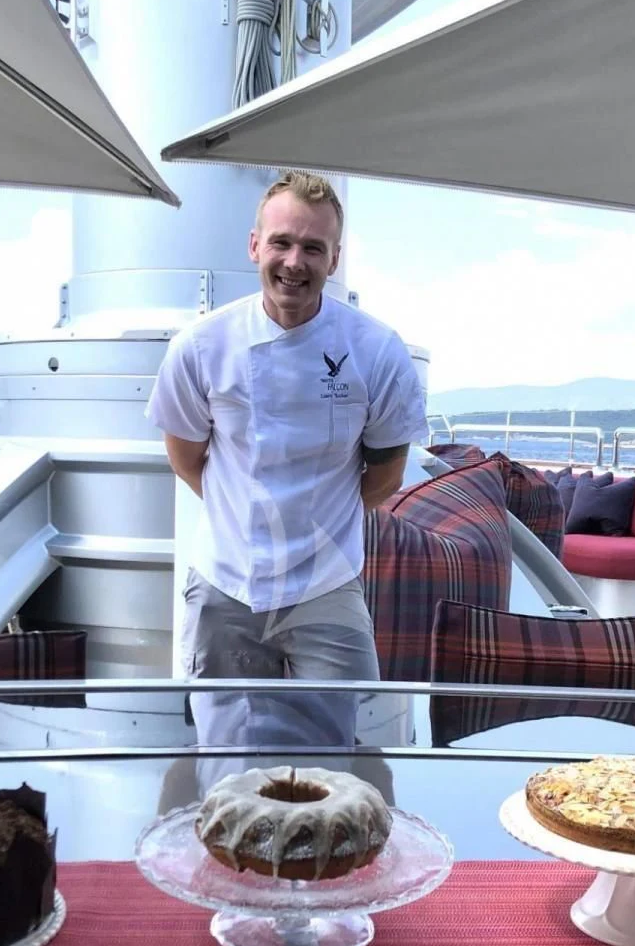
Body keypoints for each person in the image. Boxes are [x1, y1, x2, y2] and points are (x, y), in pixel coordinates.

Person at [144, 170, 427, 746]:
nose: (294, 262)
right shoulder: (200, 347)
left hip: (328, 581)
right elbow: (187, 459)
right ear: (255, 245)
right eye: (281, 242)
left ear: (335, 259)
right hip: (225, 582)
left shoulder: (376, 351)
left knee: (336, 763)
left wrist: (311, 526)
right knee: (224, 762)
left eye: (313, 248)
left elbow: (385, 475)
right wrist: (249, 517)